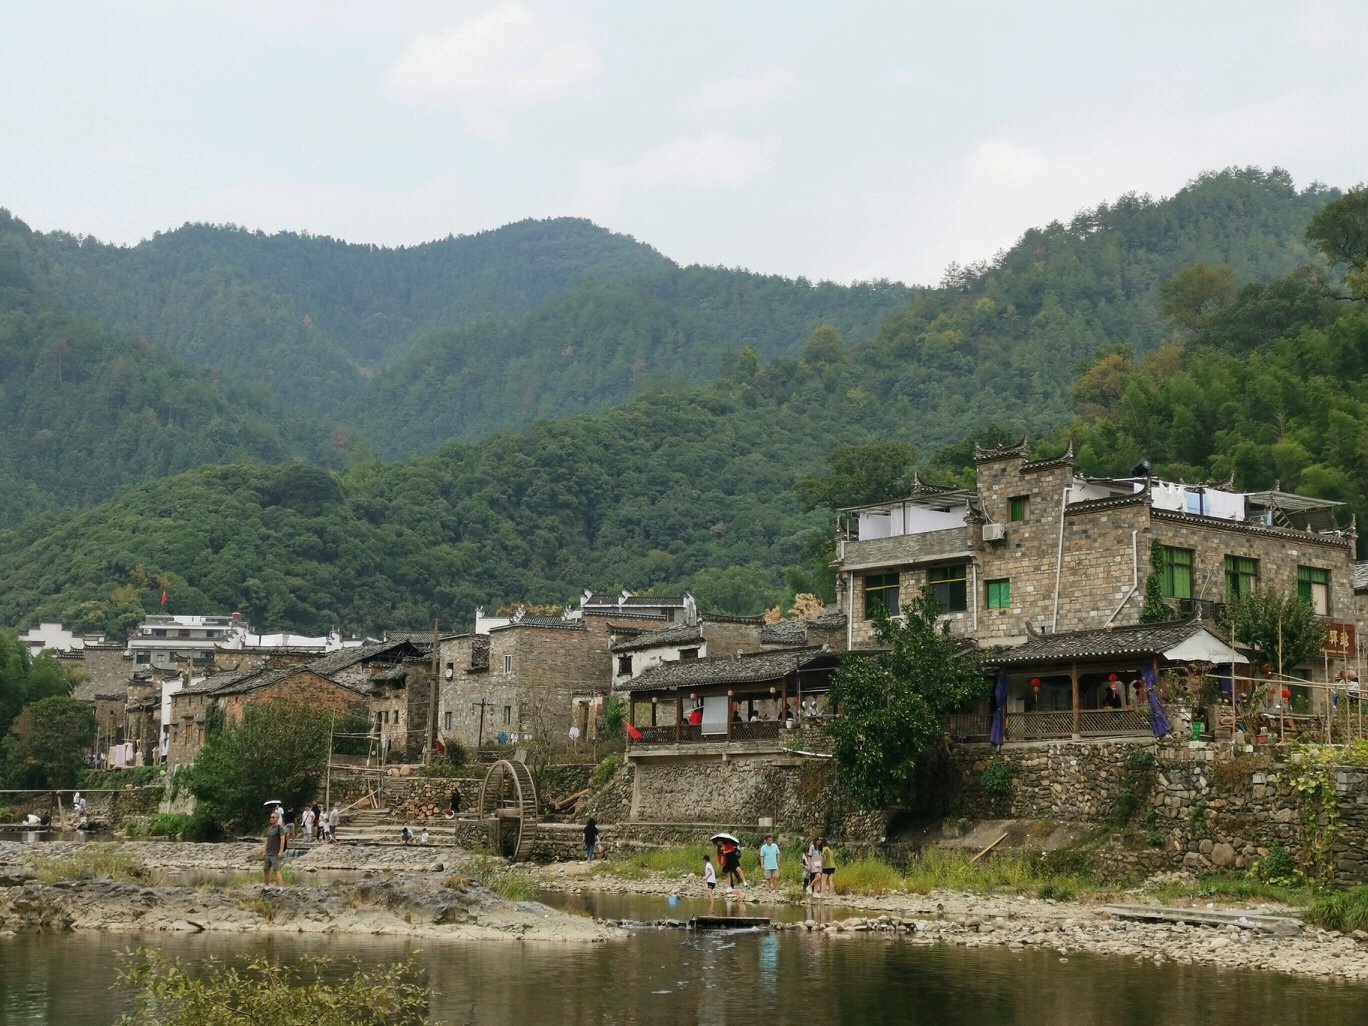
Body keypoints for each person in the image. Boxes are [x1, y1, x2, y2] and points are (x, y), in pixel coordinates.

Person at [262, 810, 288, 888]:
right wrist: (264, 850)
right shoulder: (269, 828)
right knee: (266, 869)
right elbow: (267, 840)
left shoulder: (280, 828)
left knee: (276, 870)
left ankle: (281, 888)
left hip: (275, 853)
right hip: (268, 853)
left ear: (277, 819)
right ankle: (266, 887)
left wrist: (280, 851)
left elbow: (283, 839)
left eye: (273, 817)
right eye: (270, 817)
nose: (271, 818)